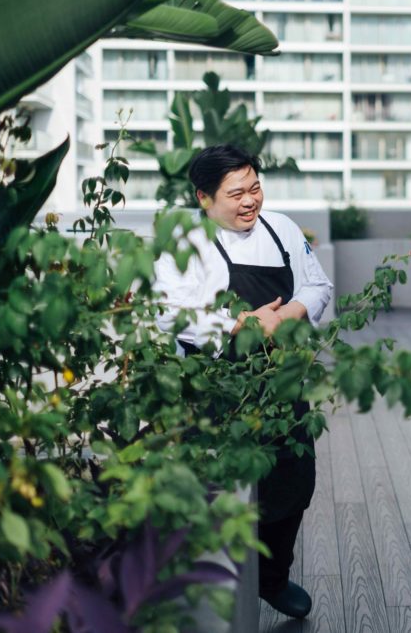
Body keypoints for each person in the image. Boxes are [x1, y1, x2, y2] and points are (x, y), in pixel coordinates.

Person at [152, 145, 334, 619]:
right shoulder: (183, 243)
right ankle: (218, 590)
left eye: (255, 188)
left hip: (282, 379)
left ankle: (272, 578)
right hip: (216, 385)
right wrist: (240, 323)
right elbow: (170, 314)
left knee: (293, 480)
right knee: (221, 486)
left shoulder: (282, 228)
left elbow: (318, 286)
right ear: (204, 198)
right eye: (236, 194)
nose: (250, 200)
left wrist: (285, 315)